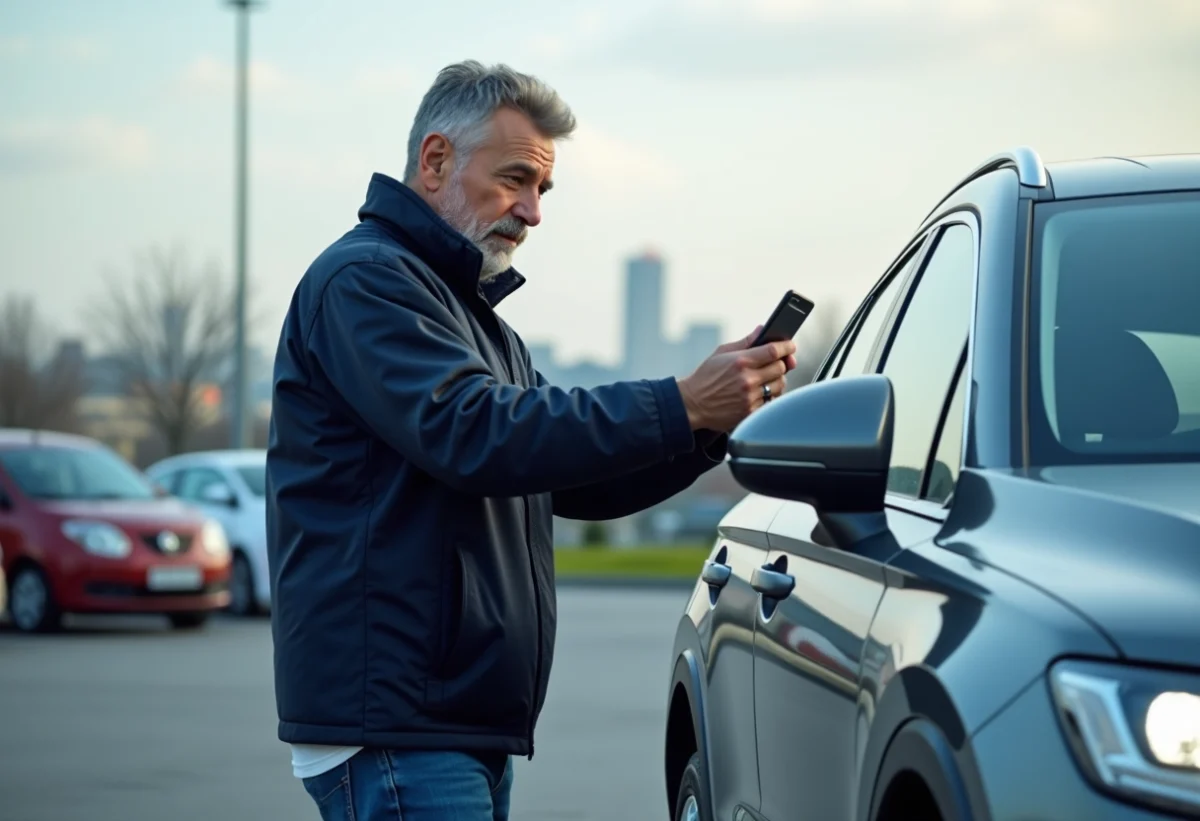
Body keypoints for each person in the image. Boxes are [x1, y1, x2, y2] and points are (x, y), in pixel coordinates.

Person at [265, 59, 797, 821]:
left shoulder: (476, 322)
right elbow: (475, 431)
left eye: (544, 188)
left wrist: (706, 422)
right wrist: (681, 401)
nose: (534, 211)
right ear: (436, 160)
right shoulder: (366, 280)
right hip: (394, 725)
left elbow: (570, 474)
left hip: (446, 719)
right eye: (516, 179)